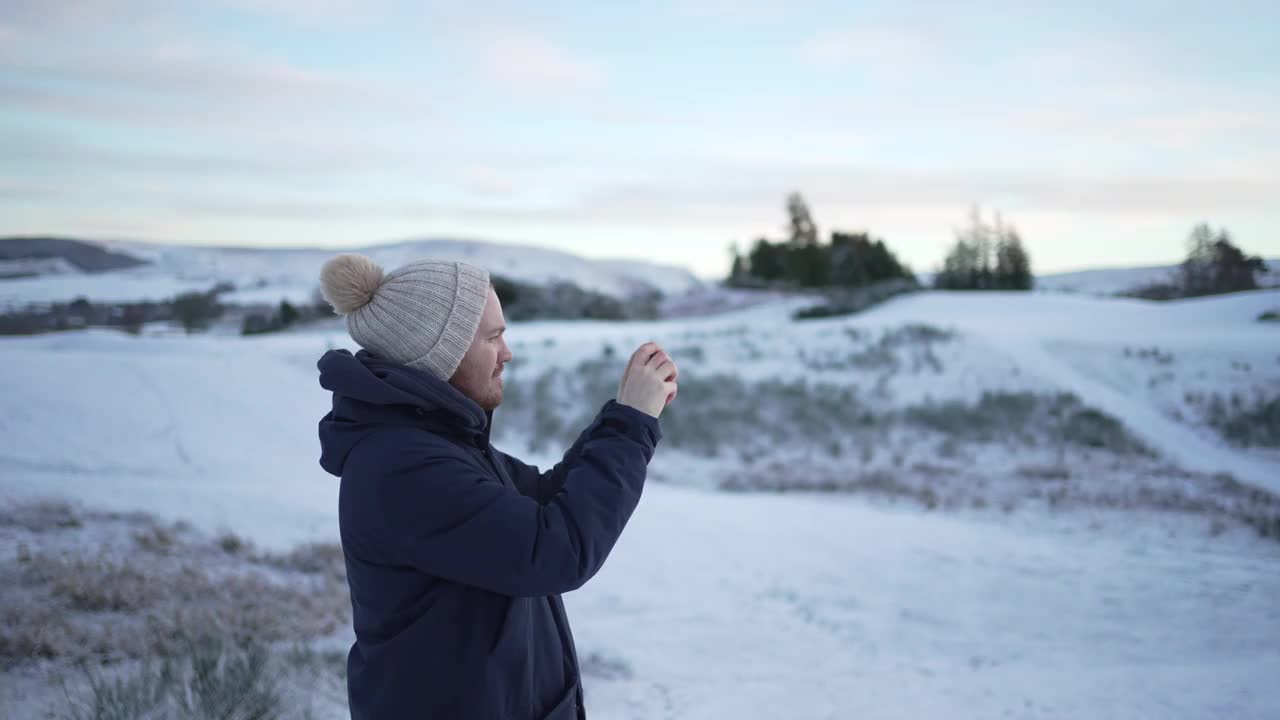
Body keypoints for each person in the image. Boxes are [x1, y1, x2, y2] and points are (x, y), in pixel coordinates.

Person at [315, 253, 678, 720]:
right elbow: (553, 550)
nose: (507, 352)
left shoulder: (436, 444)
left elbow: (544, 498)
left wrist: (623, 415)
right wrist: (630, 427)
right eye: (493, 337)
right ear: (439, 353)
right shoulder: (405, 468)